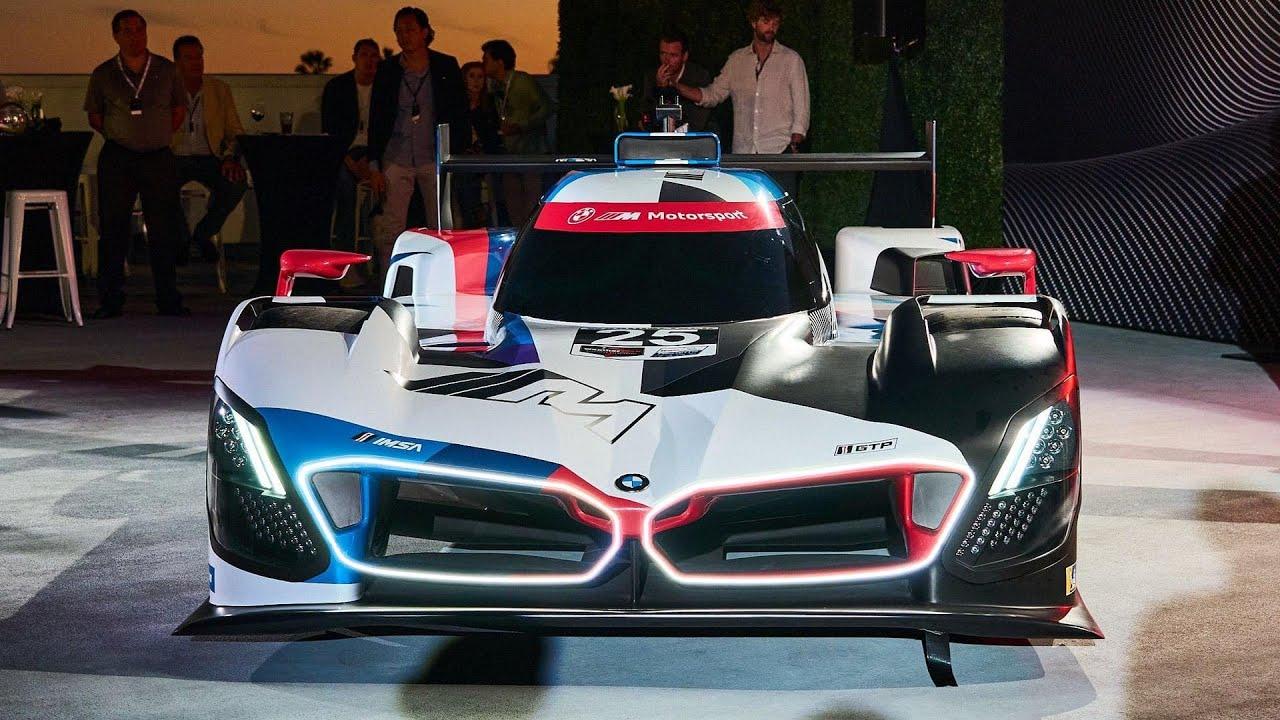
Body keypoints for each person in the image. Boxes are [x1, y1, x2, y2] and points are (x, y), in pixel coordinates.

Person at [83, 9, 188, 318]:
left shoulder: (166, 70)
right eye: (127, 31)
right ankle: (110, 299)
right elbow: (95, 116)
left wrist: (155, 134)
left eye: (139, 30)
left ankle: (168, 298)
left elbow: (178, 110)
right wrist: (121, 134)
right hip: (119, 157)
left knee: (162, 228)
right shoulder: (104, 73)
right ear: (116, 36)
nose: (135, 36)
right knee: (113, 227)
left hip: (158, 156)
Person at [665, 0, 809, 183]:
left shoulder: (791, 60)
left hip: (779, 150)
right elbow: (712, 95)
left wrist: (795, 142)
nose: (771, 28)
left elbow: (802, 106)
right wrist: (676, 85)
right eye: (766, 22)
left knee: (781, 200)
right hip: (743, 153)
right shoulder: (737, 60)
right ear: (754, 22)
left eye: (775, 23)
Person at [367, 7, 465, 272]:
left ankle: (442, 277)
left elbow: (459, 113)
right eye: (398, 31)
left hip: (434, 156)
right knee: (391, 228)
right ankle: (389, 280)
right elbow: (376, 118)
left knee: (442, 226)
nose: (404, 36)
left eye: (409, 29)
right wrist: (375, 165)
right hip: (396, 156)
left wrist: (455, 157)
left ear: (425, 32)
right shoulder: (388, 70)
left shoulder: (445, 66)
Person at [171, 35, 247, 265]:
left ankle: (203, 234)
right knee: (159, 185)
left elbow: (235, 130)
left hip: (210, 156)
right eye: (189, 58)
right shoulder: (165, 89)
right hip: (174, 156)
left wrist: (230, 157)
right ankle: (181, 239)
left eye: (199, 57)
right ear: (177, 62)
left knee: (236, 184)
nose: (197, 62)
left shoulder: (219, 90)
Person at [322, 38, 381, 280]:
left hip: (375, 152)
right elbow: (330, 131)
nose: (369, 61)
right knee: (344, 188)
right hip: (344, 153)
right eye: (364, 55)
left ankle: (379, 260)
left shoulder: (384, 88)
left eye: (374, 56)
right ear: (355, 58)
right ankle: (345, 261)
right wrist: (349, 162)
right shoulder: (337, 87)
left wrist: (373, 160)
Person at [482, 39, 551, 228]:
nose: (483, 63)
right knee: (513, 204)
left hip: (531, 153)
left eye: (486, 59)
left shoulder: (522, 81)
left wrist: (522, 126)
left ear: (499, 62)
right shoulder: (494, 86)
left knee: (532, 204)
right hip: (509, 153)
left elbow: (546, 107)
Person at [640, 30, 713, 132]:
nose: (666, 60)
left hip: (691, 137)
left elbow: (698, 122)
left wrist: (671, 88)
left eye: (673, 55)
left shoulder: (698, 76)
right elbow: (646, 117)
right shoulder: (652, 76)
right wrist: (659, 90)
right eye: (663, 53)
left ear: (685, 56)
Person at [457, 60, 501, 228]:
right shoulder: (457, 105)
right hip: (464, 160)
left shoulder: (489, 104)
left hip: (486, 159)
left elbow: (492, 134)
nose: (476, 81)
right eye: (472, 76)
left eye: (480, 77)